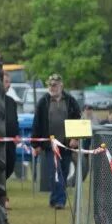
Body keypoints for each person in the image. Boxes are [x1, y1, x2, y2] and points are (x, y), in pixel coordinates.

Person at [32, 74, 81, 210]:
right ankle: (60, 201)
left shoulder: (70, 101)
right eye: (50, 85)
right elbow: (37, 122)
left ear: (61, 85)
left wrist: (75, 138)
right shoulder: (43, 102)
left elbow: (77, 118)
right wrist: (35, 144)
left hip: (66, 144)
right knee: (56, 172)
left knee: (63, 173)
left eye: (54, 85)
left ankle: (54, 199)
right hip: (50, 145)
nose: (52, 87)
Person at [2, 69, 19, 209]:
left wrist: (17, 134)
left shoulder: (11, 101)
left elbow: (15, 120)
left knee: (10, 167)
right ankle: (2, 197)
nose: (8, 85)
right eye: (6, 82)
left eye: (9, 82)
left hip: (11, 142)